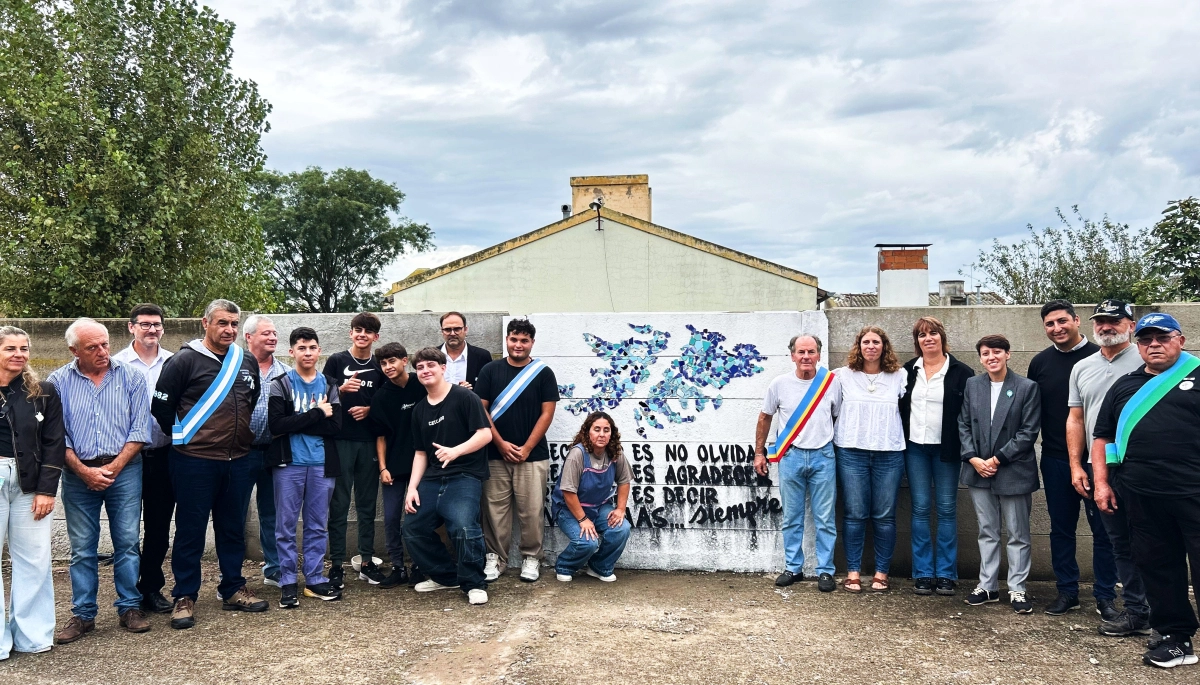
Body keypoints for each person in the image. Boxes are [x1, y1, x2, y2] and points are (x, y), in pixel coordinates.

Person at [152, 299, 268, 630]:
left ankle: (233, 588)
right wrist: (185, 437)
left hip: (238, 460)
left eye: (234, 323)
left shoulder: (246, 360)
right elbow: (161, 408)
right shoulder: (183, 361)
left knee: (232, 529)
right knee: (190, 531)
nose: (229, 329)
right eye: (222, 323)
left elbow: (251, 400)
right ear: (206, 323)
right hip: (194, 461)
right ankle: (184, 596)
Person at [1093, 312, 1200, 669]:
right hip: (1141, 496)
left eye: (1162, 337)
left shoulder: (1197, 376)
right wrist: (1103, 482)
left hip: (1193, 493)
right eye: (1145, 339)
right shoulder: (1123, 385)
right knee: (1158, 568)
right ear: (1137, 345)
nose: (1154, 344)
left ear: (1180, 341)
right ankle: (1176, 639)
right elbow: (1103, 436)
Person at [49, 319, 151, 643]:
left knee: (127, 541)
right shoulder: (58, 382)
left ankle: (130, 608)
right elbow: (55, 435)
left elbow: (140, 430)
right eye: (92, 347)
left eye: (105, 344)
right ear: (73, 350)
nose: (102, 352)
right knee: (81, 548)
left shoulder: (132, 377)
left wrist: (115, 467)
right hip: (78, 474)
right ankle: (83, 615)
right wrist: (83, 471)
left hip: (125, 470)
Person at [1026, 300, 1117, 619]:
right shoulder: (1039, 363)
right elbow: (1033, 414)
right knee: (1061, 529)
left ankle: (1106, 596)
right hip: (1054, 458)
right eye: (1050, 324)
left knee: (1104, 531)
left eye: (1062, 321)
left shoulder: (1100, 356)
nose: (1057, 328)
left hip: (1098, 461)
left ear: (1077, 321)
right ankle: (1067, 591)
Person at [1067, 300, 1149, 637]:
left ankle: (1163, 612)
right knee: (1119, 542)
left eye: (1114, 321)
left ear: (1131, 324)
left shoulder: (1148, 360)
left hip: (1143, 466)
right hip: (1099, 465)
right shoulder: (1082, 367)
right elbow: (1076, 418)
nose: (1106, 327)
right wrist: (1077, 466)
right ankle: (1136, 611)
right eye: (1100, 322)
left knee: (1152, 540)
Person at [403, 347, 493, 606]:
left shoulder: (465, 397)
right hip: (432, 478)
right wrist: (412, 488)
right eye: (420, 367)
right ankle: (446, 577)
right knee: (413, 528)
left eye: (430, 365)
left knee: (464, 527)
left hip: (465, 475)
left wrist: (455, 452)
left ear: (443, 368)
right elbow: (420, 453)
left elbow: (485, 434)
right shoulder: (419, 410)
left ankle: (474, 583)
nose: (425, 371)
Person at [959, 334, 1041, 614]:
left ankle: (1017, 589)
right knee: (987, 531)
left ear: (1008, 354)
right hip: (978, 469)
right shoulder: (973, 385)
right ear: (980, 358)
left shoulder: (1026, 387)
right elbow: (964, 424)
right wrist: (973, 458)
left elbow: (1028, 431)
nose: (991, 357)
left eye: (996, 352)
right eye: (985, 353)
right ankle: (988, 586)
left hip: (1013, 469)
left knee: (1018, 532)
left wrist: (996, 458)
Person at [754, 334, 842, 593]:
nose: (806, 357)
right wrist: (760, 453)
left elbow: (836, 416)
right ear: (792, 355)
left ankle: (825, 571)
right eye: (801, 352)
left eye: (811, 352)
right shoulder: (779, 384)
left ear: (819, 355)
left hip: (823, 456)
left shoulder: (830, 383)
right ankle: (793, 567)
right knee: (792, 517)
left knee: (825, 518)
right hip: (791, 456)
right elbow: (764, 417)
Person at [475, 318, 559, 582]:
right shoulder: (490, 370)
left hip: (532, 456)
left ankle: (531, 558)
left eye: (524, 340)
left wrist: (526, 448)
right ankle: (495, 559)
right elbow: (482, 409)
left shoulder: (543, 373)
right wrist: (499, 443)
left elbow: (547, 413)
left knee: (531, 510)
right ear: (507, 340)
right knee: (494, 511)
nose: (518, 344)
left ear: (532, 343)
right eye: (514, 339)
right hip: (494, 454)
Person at [0, 326, 64, 659]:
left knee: (35, 560)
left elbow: (54, 442)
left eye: (24, 348)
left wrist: (46, 489)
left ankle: (33, 637)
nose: (19, 354)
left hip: (30, 484)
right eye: (10, 348)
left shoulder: (42, 392)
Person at [897, 316, 973, 596]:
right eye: (922, 335)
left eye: (933, 333)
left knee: (947, 509)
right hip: (915, 448)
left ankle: (945, 574)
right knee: (919, 509)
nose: (928, 338)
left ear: (941, 336)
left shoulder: (961, 372)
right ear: (917, 342)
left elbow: (969, 415)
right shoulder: (907, 372)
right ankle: (923, 572)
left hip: (947, 451)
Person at [267, 327, 343, 608]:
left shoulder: (330, 384)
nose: (307, 352)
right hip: (289, 464)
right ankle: (287, 581)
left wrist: (299, 421)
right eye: (301, 348)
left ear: (319, 351)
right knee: (285, 526)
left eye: (312, 347)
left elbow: (335, 426)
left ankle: (314, 579)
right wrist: (316, 413)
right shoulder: (281, 384)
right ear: (292, 352)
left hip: (322, 464)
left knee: (316, 525)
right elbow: (276, 426)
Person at [111, 304, 176, 615]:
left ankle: (150, 587)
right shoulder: (116, 364)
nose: (152, 330)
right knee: (125, 530)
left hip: (163, 455)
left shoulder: (175, 362)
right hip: (126, 458)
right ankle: (127, 593)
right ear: (131, 327)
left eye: (157, 325)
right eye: (146, 324)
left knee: (159, 526)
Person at [833, 326, 906, 593]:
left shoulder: (899, 376)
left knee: (884, 516)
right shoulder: (842, 376)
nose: (871, 346)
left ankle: (881, 572)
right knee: (854, 514)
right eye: (866, 342)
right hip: (851, 453)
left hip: (890, 453)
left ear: (884, 347)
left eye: (876, 342)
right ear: (859, 346)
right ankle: (853, 571)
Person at [322, 312, 385, 588]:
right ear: (350, 333)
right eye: (357, 330)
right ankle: (336, 564)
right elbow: (320, 398)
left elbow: (386, 402)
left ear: (375, 337)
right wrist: (341, 390)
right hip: (341, 441)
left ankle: (367, 562)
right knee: (338, 504)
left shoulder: (380, 365)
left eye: (367, 331)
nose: (362, 335)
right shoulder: (337, 361)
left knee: (367, 504)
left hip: (369, 442)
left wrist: (370, 409)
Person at [370, 342, 426, 588]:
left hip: (423, 465)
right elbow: (379, 436)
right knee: (391, 518)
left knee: (418, 517)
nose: (388, 367)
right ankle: (397, 567)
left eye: (392, 361)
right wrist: (383, 468)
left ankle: (419, 566)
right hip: (393, 466)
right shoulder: (381, 396)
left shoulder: (422, 384)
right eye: (383, 363)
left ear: (405, 360)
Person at [550, 412, 632, 582]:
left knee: (621, 528)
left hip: (599, 506)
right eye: (597, 429)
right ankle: (565, 565)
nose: (602, 434)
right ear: (588, 432)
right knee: (588, 542)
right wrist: (583, 520)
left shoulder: (615, 453)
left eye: (606, 430)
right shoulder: (577, 454)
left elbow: (624, 481)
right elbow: (568, 492)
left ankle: (599, 567)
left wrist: (620, 509)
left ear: (612, 433)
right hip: (568, 508)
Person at [241, 315, 290, 588]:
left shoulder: (285, 372)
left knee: (273, 514)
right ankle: (231, 575)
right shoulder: (233, 368)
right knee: (234, 514)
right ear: (248, 337)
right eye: (266, 333)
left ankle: (274, 569)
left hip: (274, 452)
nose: (272, 338)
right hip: (240, 452)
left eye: (274, 333)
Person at [439, 311, 493, 390]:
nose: (452, 333)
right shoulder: (430, 357)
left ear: (465, 329)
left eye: (457, 329)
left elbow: (487, 391)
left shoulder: (482, 356)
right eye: (447, 329)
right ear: (442, 331)